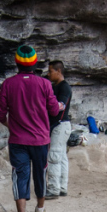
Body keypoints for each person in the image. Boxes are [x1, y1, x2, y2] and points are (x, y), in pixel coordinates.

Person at [0, 44, 63, 212]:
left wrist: (12, 126)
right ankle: (40, 208)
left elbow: (0, 114)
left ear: (17, 63)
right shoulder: (45, 84)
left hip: (18, 140)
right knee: (40, 173)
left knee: (20, 175)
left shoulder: (8, 84)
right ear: (34, 63)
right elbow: (53, 110)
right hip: (41, 139)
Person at [46, 61, 73, 199]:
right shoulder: (54, 86)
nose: (48, 74)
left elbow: (60, 106)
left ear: (58, 71)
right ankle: (62, 187)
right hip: (61, 125)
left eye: (50, 71)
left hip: (60, 125)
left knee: (54, 157)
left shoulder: (64, 87)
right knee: (61, 157)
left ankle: (53, 189)